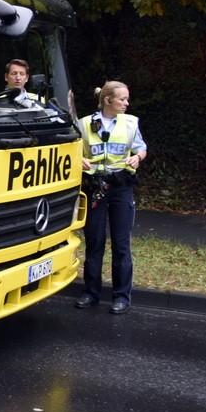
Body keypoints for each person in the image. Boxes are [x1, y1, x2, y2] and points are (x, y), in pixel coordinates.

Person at [75, 81, 148, 314]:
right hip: (95, 187)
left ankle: (121, 297)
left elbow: (141, 148)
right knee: (94, 241)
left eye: (127, 99)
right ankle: (91, 293)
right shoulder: (85, 123)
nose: (127, 103)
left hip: (121, 187)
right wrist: (79, 159)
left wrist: (138, 158)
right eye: (122, 99)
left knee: (121, 243)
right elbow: (73, 149)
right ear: (108, 100)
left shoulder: (130, 122)